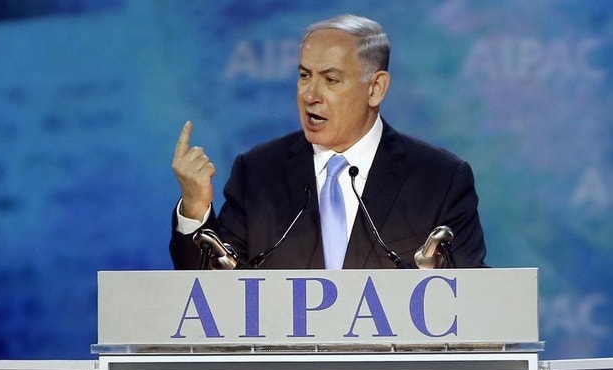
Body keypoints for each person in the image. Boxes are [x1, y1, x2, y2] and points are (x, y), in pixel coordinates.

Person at [170, 14, 487, 270]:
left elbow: (473, 299)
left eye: (330, 80)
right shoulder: (258, 173)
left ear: (375, 88)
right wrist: (195, 207)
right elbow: (209, 298)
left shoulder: (439, 179)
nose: (310, 95)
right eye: (304, 76)